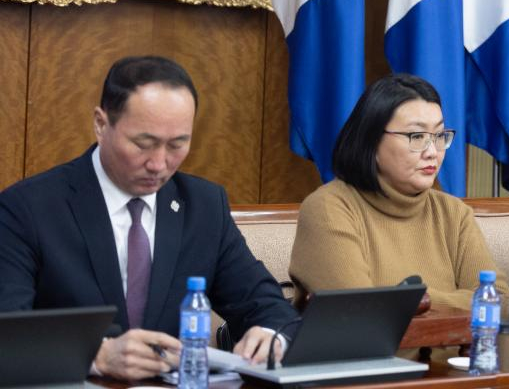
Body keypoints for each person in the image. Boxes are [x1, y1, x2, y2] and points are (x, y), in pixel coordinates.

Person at [0, 55, 296, 381]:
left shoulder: (204, 206)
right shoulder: (28, 208)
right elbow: (7, 332)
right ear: (101, 124)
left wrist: (271, 336)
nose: (158, 164)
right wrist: (96, 356)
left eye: (177, 144)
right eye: (143, 144)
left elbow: (268, 307)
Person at [288, 73, 509, 317]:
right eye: (417, 136)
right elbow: (362, 310)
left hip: (454, 345)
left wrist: (414, 299)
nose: (432, 152)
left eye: (439, 136)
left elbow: (501, 303)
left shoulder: (453, 213)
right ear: (371, 141)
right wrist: (460, 302)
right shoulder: (329, 209)